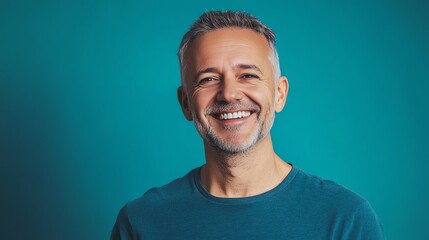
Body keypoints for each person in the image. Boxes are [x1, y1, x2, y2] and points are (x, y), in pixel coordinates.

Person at [111, 10, 385, 239]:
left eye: (248, 75)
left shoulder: (345, 219)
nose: (229, 93)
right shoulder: (140, 222)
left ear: (279, 93)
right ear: (185, 104)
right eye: (208, 79)